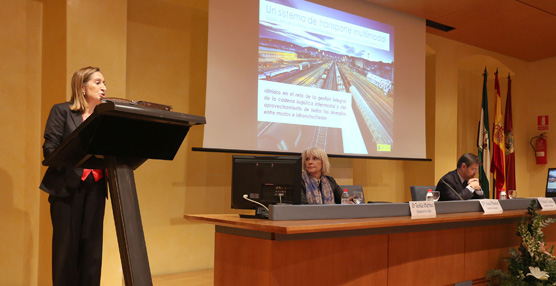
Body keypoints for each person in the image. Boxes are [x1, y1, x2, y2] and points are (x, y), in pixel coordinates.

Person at [39, 66, 108, 286]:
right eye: (97, 82)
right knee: (66, 251)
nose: (103, 87)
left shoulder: (105, 118)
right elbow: (50, 148)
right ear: (82, 86)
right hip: (67, 187)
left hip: (96, 188)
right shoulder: (62, 111)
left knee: (92, 250)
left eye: (104, 82)